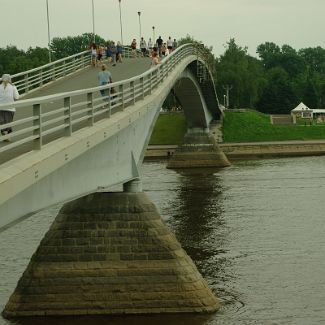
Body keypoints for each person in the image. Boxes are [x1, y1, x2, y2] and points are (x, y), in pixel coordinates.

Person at [0, 74, 19, 141]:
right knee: (8, 122)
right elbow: (16, 97)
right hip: (10, 108)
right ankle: (7, 135)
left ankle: (4, 134)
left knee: (2, 122)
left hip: (1, 108)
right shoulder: (13, 87)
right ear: (9, 79)